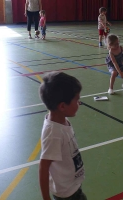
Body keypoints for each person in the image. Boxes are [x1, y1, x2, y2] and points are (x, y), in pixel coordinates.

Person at [39, 72, 86, 200]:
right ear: (62, 106)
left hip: (73, 187)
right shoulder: (53, 133)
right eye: (76, 100)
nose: (79, 103)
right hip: (66, 195)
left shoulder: (61, 121)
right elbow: (44, 167)